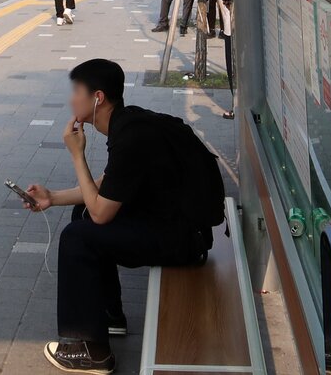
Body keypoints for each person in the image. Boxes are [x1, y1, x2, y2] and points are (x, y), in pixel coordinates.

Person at [23, 60, 218, 374]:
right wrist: (53, 198)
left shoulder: (130, 137)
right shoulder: (129, 123)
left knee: (77, 236)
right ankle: (109, 316)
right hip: (178, 226)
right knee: (82, 211)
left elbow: (101, 214)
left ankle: (91, 351)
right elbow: (105, 187)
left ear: (97, 97)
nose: (72, 99)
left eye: (77, 91)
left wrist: (77, 155)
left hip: (183, 241)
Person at [210, 0, 234, 119]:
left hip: (236, 30)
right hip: (228, 29)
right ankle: (235, 103)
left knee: (235, 70)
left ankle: (237, 106)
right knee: (231, 70)